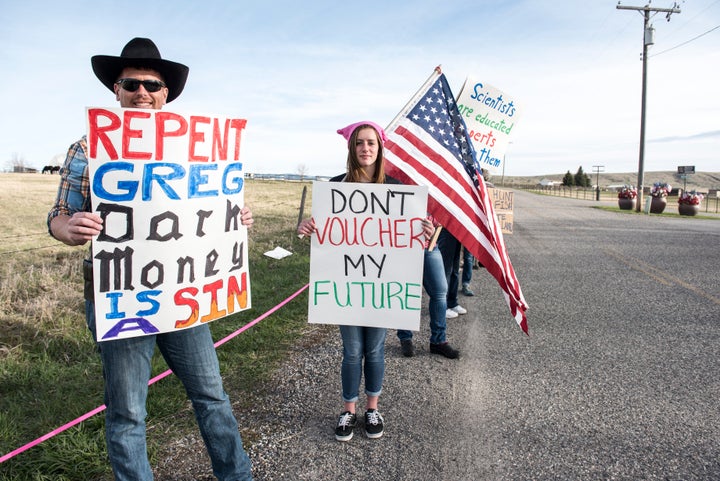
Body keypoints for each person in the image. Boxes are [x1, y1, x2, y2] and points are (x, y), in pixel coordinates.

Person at [47, 38, 254, 481]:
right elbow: (58, 217)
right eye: (132, 83)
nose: (142, 92)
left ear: (166, 94)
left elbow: (215, 210)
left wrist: (234, 217)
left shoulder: (195, 150)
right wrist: (69, 228)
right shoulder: (87, 148)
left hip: (186, 293)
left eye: (152, 85)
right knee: (127, 413)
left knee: (212, 395)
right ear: (116, 91)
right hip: (118, 295)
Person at [297, 121, 434, 442]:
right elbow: (324, 230)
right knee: (351, 351)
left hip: (383, 287)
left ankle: (373, 407)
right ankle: (349, 410)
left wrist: (424, 233)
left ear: (380, 148)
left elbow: (411, 236)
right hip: (348, 285)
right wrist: (308, 227)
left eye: (371, 143)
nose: (366, 148)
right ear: (352, 148)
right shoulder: (336, 188)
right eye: (359, 143)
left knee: (374, 351)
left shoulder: (398, 190)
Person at [396, 221, 460, 359]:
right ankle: (405, 338)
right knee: (406, 291)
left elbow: (439, 215)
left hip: (428, 245)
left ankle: (438, 341)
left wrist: (434, 227)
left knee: (440, 291)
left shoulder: (433, 198)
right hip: (401, 246)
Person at [437, 228, 467, 319]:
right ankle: (442, 306)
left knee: (455, 269)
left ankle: (452, 302)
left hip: (456, 227)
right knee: (446, 270)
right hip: (446, 226)